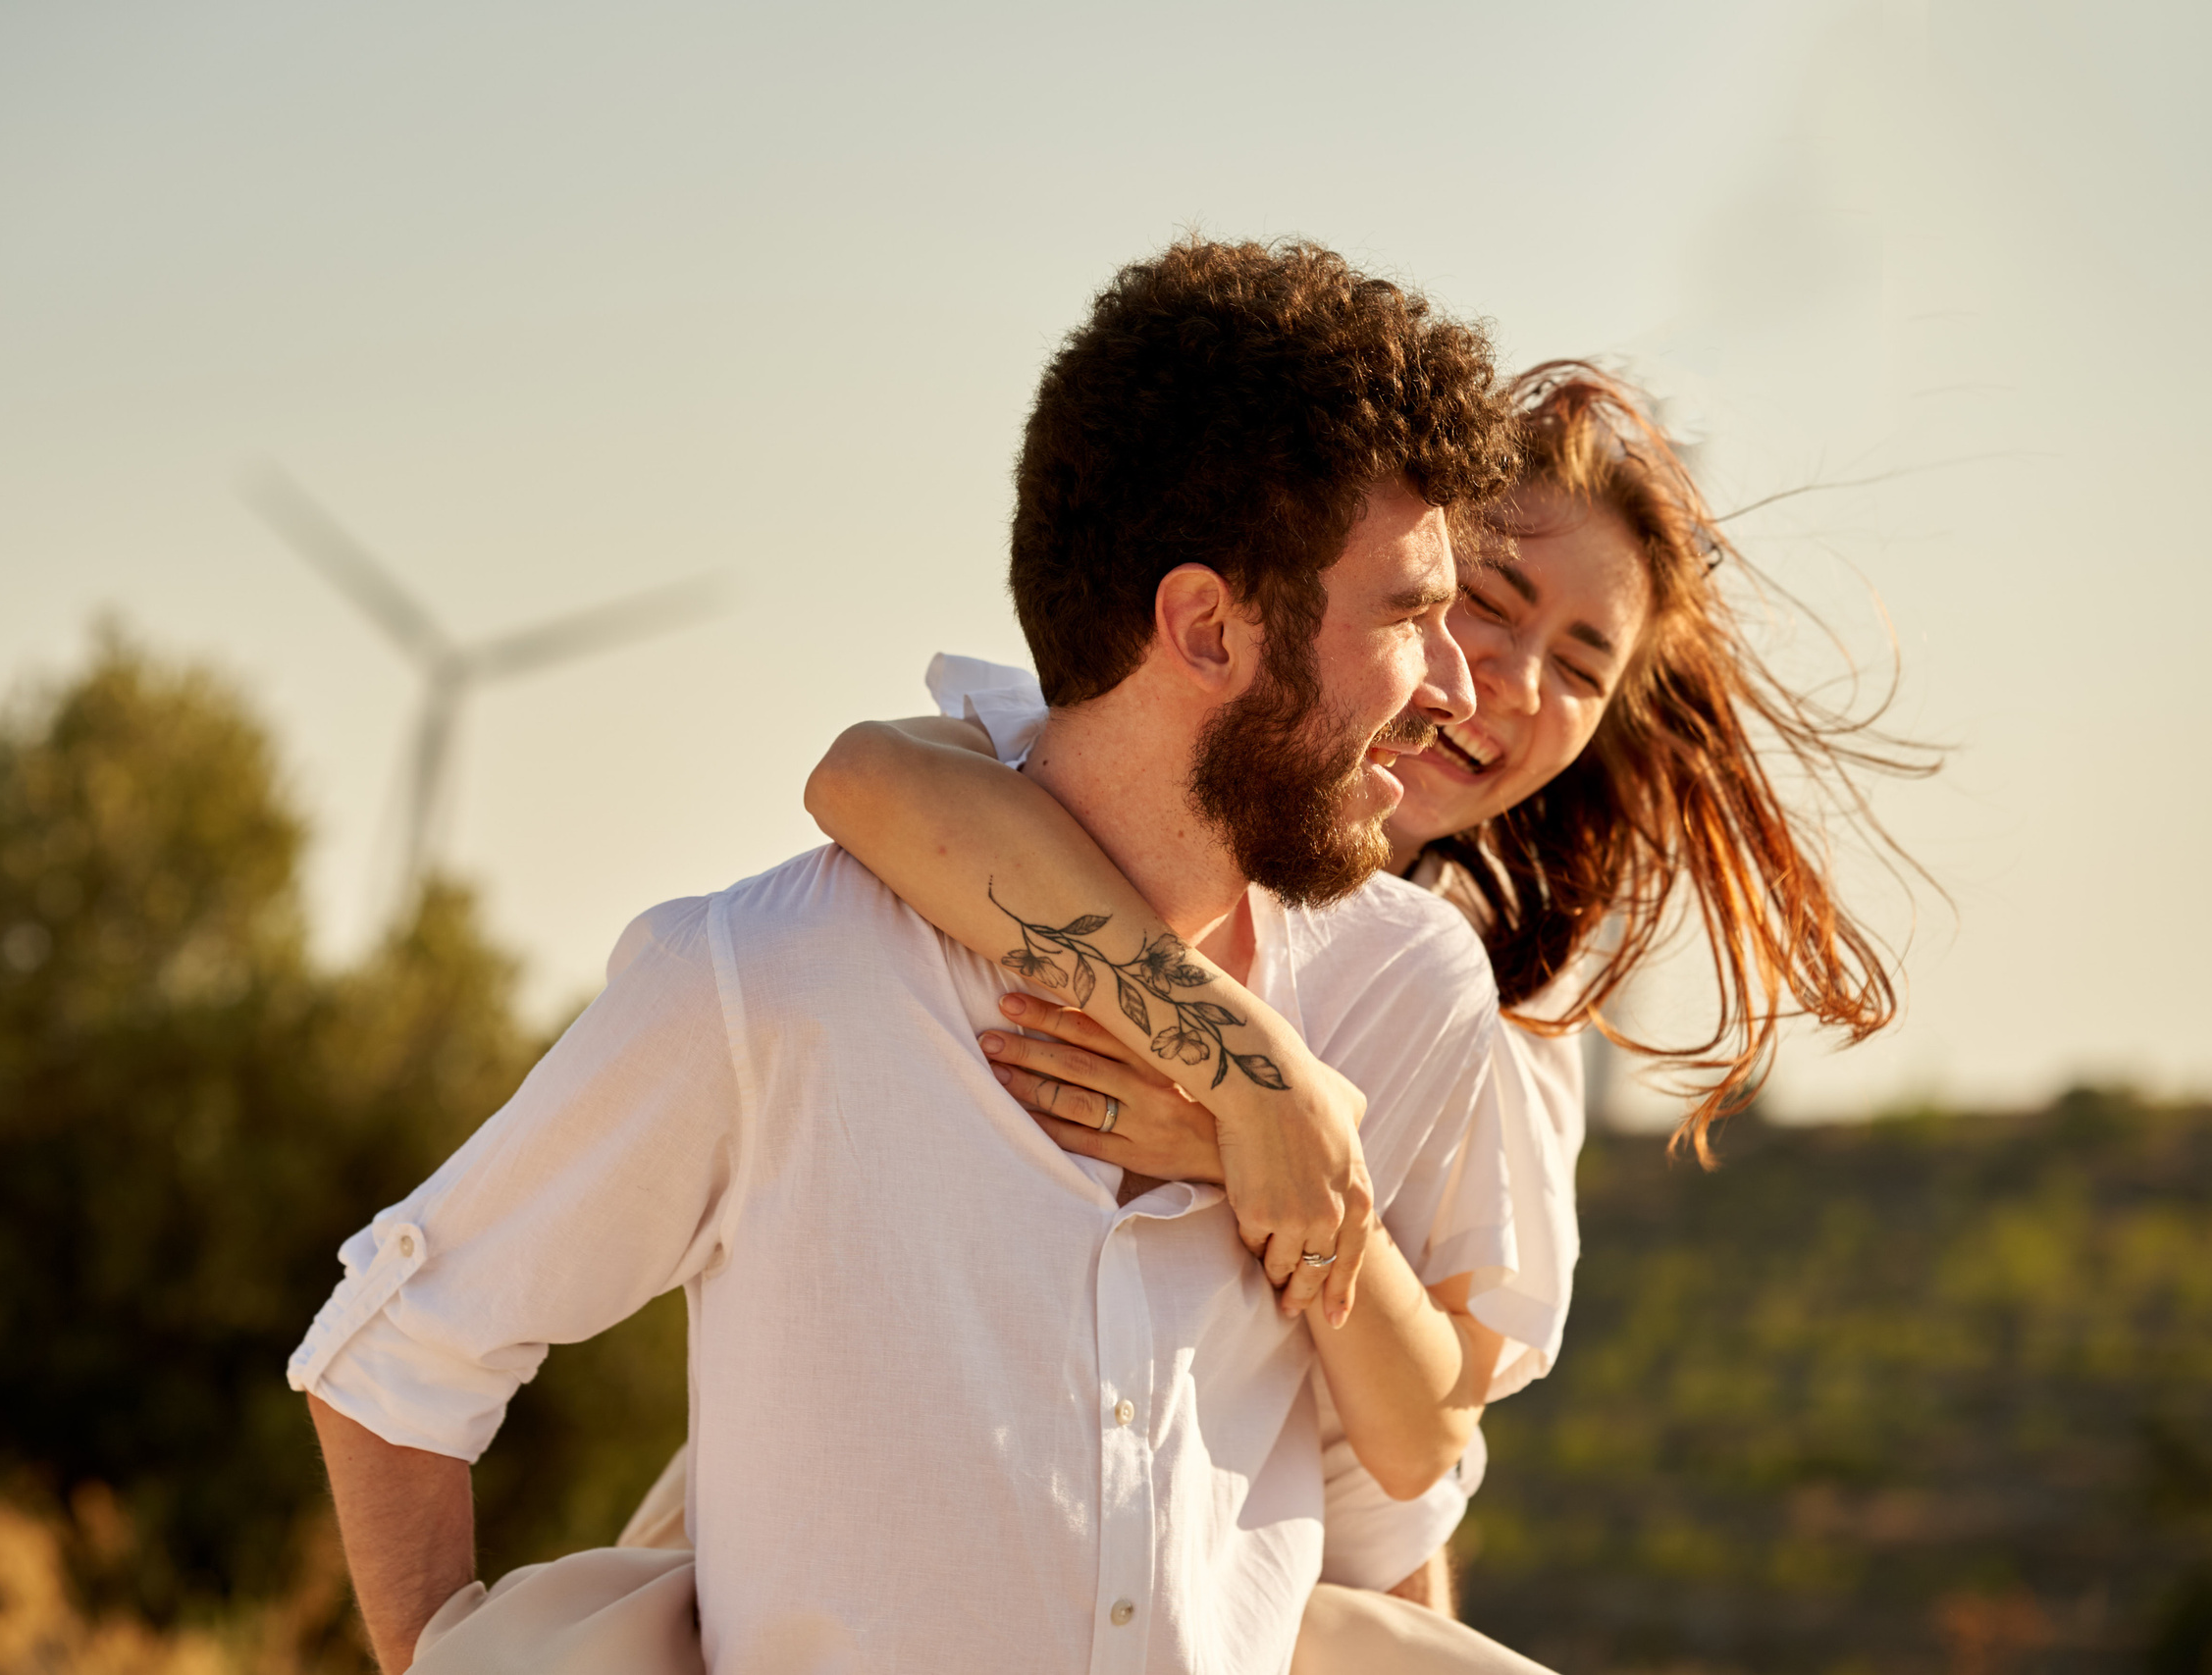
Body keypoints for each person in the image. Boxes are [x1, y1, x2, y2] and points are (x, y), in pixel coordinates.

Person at [289, 236, 1542, 1675]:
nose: (1453, 688)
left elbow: (1388, 1515)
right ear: (1205, 624)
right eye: (1410, 612)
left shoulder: (1394, 991)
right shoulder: (775, 984)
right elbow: (392, 1362)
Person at [774, 359, 1922, 1619]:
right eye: (1486, 600)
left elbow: (1422, 1437)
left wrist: (1242, 1147)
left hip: (1305, 1589)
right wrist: (1249, 1072)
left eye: (1584, 668)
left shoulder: (1488, 999)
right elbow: (870, 779)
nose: (1512, 684)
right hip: (929, 1513)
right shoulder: (1107, 801)